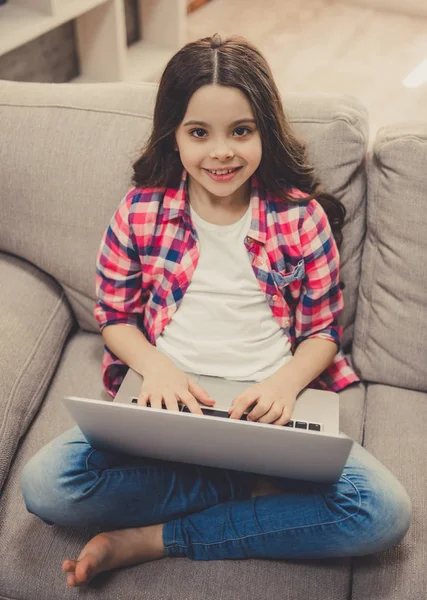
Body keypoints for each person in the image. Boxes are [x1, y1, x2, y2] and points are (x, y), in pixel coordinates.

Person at [20, 34, 411, 588]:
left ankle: (154, 538)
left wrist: (284, 383)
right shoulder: (141, 210)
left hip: (267, 405)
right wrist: (156, 368)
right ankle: (249, 485)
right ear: (173, 135)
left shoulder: (301, 219)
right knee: (47, 484)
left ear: (265, 132)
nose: (221, 151)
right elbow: (114, 316)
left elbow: (322, 330)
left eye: (241, 131)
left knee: (382, 511)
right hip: (169, 401)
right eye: (199, 132)